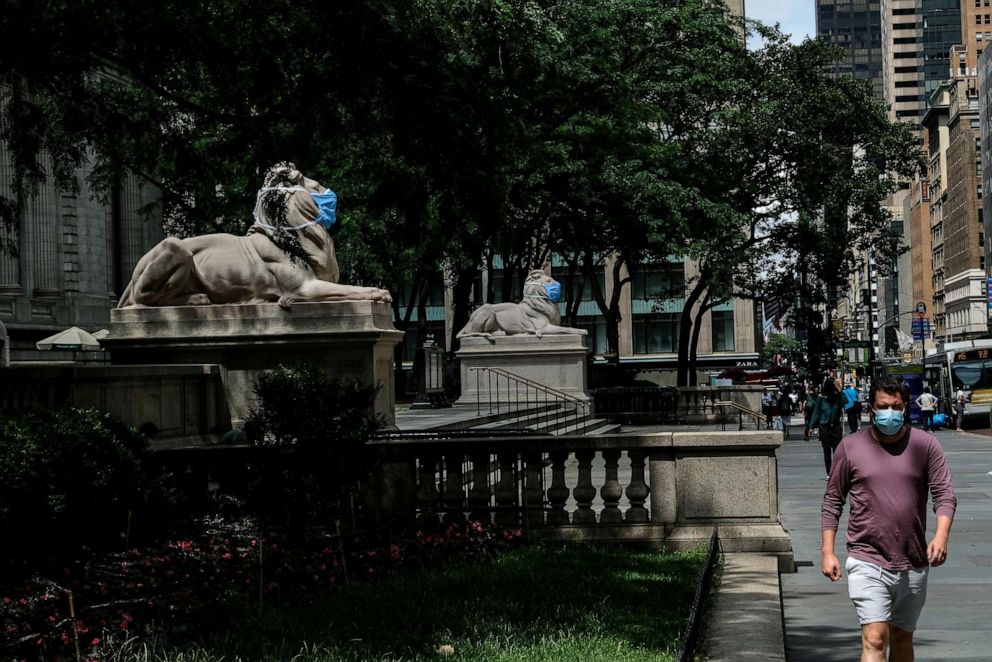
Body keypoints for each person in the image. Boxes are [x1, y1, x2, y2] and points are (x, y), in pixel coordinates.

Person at [821, 377, 956, 662]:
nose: (890, 413)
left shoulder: (925, 445)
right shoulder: (851, 447)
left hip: (913, 560)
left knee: (902, 637)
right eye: (883, 407)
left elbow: (944, 494)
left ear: (905, 407)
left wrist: (941, 535)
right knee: (874, 638)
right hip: (866, 558)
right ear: (871, 408)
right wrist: (828, 551)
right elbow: (833, 500)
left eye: (896, 407)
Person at [806, 378, 845, 478]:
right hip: (824, 428)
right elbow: (816, 412)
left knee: (837, 451)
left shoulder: (838, 398)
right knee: (826, 451)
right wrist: (810, 426)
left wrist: (839, 390)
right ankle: (830, 472)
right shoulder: (821, 398)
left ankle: (837, 471)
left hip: (836, 427)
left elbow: (846, 402)